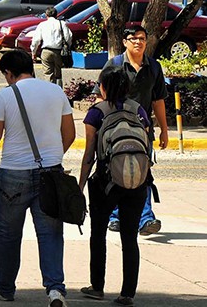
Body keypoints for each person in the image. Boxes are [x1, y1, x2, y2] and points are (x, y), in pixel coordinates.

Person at [0, 50, 75, 306]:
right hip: (51, 173)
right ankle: (55, 289)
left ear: (8, 74)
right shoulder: (57, 92)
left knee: (7, 234)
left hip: (13, 173)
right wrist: (50, 159)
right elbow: (69, 134)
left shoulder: (4, 96)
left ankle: (4, 286)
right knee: (51, 234)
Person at [78, 66, 150, 306]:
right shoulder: (139, 111)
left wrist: (80, 185)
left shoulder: (96, 113)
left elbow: (90, 154)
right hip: (138, 182)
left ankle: (97, 287)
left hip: (105, 183)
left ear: (103, 87)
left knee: (98, 234)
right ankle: (127, 293)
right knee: (130, 238)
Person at [100, 26, 168, 236]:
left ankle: (146, 219)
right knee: (115, 169)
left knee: (143, 172)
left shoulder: (154, 67)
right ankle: (115, 216)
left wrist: (164, 130)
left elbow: (158, 101)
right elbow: (101, 96)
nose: (138, 42)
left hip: (142, 130)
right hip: (116, 129)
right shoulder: (114, 65)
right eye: (133, 39)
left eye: (142, 38)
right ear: (124, 42)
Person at [31, 6, 72, 88]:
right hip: (58, 51)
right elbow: (68, 37)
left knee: (48, 74)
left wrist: (33, 52)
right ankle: (59, 91)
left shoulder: (42, 25)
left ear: (46, 15)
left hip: (46, 51)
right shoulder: (62, 24)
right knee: (58, 73)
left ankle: (49, 91)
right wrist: (68, 47)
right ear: (56, 15)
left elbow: (36, 40)